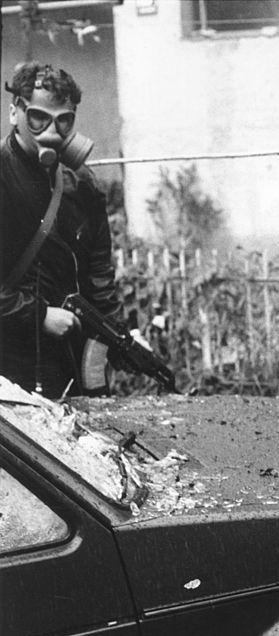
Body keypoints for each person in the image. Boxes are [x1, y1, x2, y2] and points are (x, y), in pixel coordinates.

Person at [1, 62, 122, 399]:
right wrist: (38, 315)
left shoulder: (82, 184)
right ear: (15, 113)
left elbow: (99, 271)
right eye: (39, 117)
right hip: (8, 361)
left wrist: (118, 331)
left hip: (68, 355)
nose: (51, 131)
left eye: (64, 120)